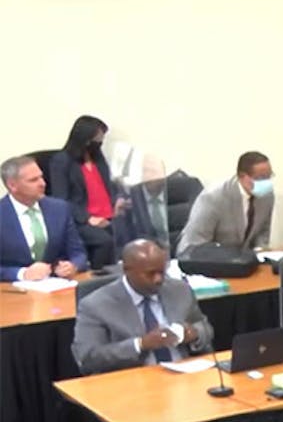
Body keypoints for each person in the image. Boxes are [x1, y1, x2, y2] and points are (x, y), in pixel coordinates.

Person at [71, 239, 214, 375]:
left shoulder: (180, 290)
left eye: (162, 272)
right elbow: (88, 358)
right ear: (127, 270)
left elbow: (204, 327)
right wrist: (140, 344)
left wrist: (194, 333)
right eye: (150, 274)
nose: (158, 279)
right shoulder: (95, 305)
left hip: (185, 375)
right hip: (131, 382)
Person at [49, 115, 123, 268]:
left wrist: (117, 201)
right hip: (82, 219)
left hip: (109, 216)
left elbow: (108, 185)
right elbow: (61, 199)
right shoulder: (62, 161)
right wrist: (88, 218)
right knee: (104, 241)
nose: (99, 142)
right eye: (97, 138)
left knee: (133, 237)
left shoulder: (98, 157)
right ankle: (97, 278)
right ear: (84, 138)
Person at [0, 155, 88, 282]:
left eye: (41, 177)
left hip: (55, 286)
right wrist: (22, 274)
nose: (43, 183)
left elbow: (78, 253)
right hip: (12, 291)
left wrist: (73, 265)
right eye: (33, 180)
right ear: (13, 186)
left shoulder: (59, 209)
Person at [176, 151, 275, 255]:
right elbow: (195, 243)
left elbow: (263, 232)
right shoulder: (213, 197)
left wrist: (260, 253)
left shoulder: (267, 195)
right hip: (211, 261)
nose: (266, 182)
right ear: (242, 176)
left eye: (269, 176)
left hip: (244, 262)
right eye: (261, 178)